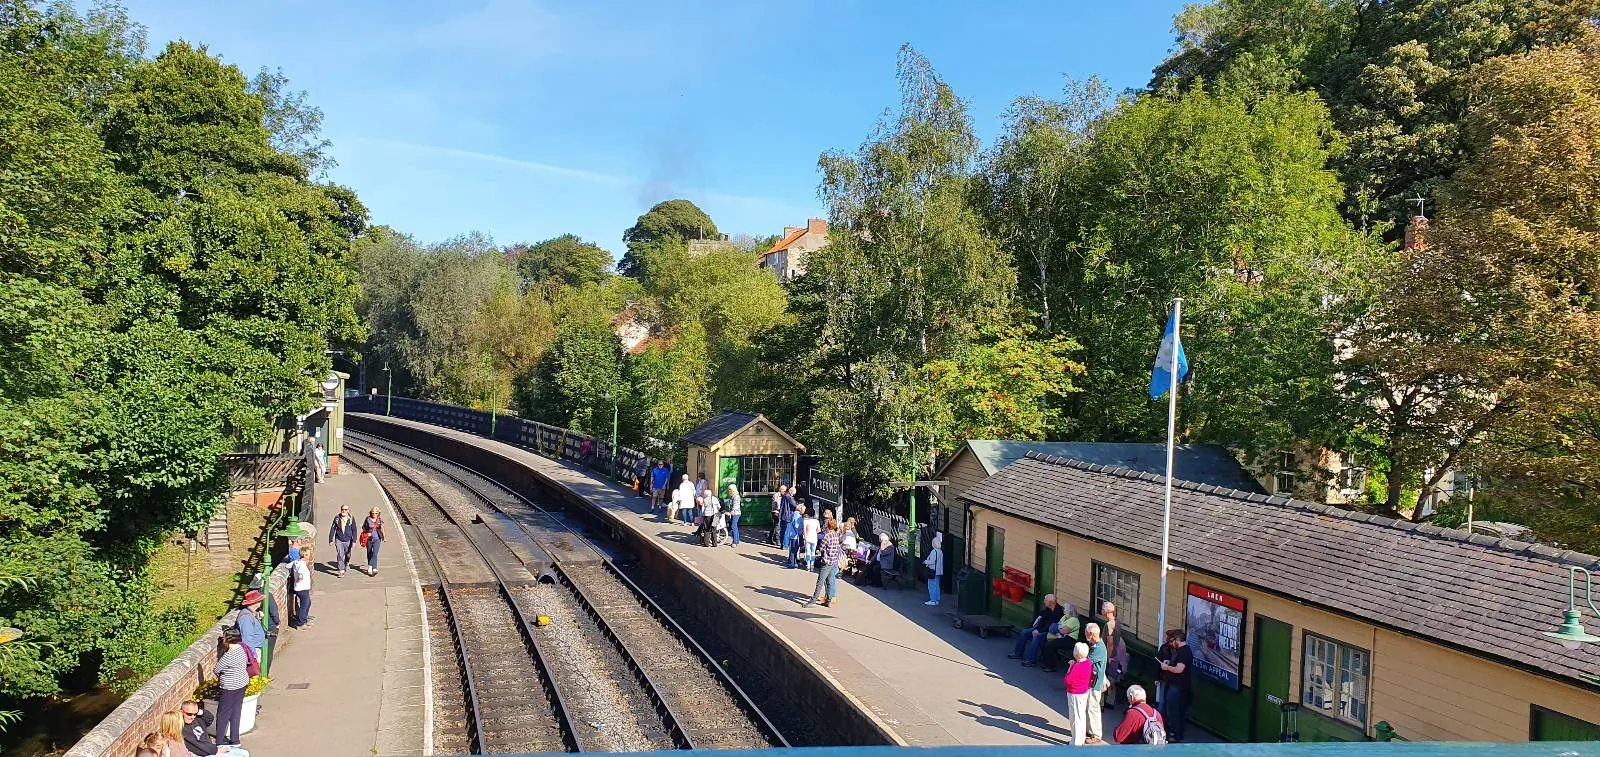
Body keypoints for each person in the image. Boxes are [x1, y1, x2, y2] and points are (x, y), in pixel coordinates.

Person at [213, 627, 250, 748]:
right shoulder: (242, 649)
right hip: (242, 683)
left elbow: (216, 669)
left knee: (223, 714)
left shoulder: (228, 656)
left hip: (229, 687)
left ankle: (219, 741)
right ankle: (235, 740)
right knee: (236, 711)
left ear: (227, 639)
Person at [1157, 628, 1193, 742]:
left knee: (1174, 710)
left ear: (1178, 640)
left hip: (1178, 686)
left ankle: (1175, 734)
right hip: (1175, 685)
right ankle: (1176, 732)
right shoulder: (1181, 651)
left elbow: (1179, 669)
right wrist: (1168, 662)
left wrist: (1166, 667)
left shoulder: (1184, 652)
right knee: (1174, 710)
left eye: (1173, 642)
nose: (1172, 644)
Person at [1009, 594, 1066, 666]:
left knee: (1037, 636)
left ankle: (1031, 660)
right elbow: (1042, 621)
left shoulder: (1058, 612)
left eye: (1045, 600)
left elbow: (1050, 626)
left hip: (1052, 632)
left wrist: (1038, 631)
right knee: (1025, 632)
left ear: (1051, 602)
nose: (1044, 602)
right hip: (1043, 629)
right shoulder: (1048, 609)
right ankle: (1018, 654)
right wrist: (1037, 629)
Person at [803, 513, 845, 608]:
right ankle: (829, 600)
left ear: (828, 526)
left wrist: (818, 551)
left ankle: (813, 600)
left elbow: (821, 548)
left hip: (826, 561)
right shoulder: (836, 535)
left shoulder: (827, 536)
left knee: (820, 581)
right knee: (829, 581)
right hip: (833, 561)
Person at [183, 700, 248, 756]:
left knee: (244, 753)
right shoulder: (182, 728)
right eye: (189, 714)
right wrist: (216, 750)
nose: (192, 717)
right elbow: (197, 746)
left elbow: (210, 718)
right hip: (204, 754)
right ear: (182, 712)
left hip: (210, 749)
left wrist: (199, 712)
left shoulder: (197, 720)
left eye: (195, 714)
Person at [1063, 642, 1094, 747]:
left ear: (1076, 653)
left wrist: (1070, 667)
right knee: (1081, 717)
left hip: (1074, 693)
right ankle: (1080, 739)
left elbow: (1067, 680)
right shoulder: (1088, 663)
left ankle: (1075, 743)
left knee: (1074, 718)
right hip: (1083, 692)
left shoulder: (1077, 666)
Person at [1084, 622, 1107, 742]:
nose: (1085, 634)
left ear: (1091, 634)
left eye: (1086, 632)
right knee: (1089, 706)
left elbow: (1087, 662)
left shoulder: (1099, 648)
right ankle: (1089, 730)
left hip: (1095, 683)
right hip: (1091, 682)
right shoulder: (1094, 645)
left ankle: (1096, 735)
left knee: (1093, 708)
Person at [328, 504, 356, 577]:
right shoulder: (337, 518)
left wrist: (354, 541)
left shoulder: (351, 518)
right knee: (340, 554)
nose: (344, 511)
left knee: (348, 554)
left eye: (345, 509)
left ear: (348, 510)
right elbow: (333, 528)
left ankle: (346, 562)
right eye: (342, 509)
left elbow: (354, 530)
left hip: (348, 539)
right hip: (339, 539)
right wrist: (331, 539)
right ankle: (341, 570)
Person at [236, 590, 266, 656]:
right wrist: (253, 657)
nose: (260, 603)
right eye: (259, 601)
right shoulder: (246, 618)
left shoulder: (250, 614)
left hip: (255, 648)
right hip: (253, 650)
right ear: (256, 603)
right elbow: (247, 639)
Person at [289, 546, 313, 628]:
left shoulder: (296, 562)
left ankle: (304, 620)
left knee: (308, 603)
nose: (310, 556)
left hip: (300, 588)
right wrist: (300, 578)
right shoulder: (302, 564)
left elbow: (288, 566)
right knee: (305, 605)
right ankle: (301, 623)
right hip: (302, 588)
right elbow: (300, 572)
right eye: (308, 554)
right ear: (305, 555)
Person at [362, 506, 385, 576]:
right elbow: (363, 527)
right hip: (369, 539)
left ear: (378, 513)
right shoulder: (367, 519)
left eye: (375, 513)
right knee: (369, 552)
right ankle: (372, 566)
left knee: (375, 553)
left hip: (377, 538)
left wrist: (384, 537)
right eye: (372, 513)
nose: (374, 514)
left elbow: (382, 528)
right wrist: (367, 532)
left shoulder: (379, 520)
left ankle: (372, 567)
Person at [923, 532, 944, 605]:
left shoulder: (934, 551)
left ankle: (933, 600)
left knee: (931, 586)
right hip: (938, 571)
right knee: (937, 585)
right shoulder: (940, 551)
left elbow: (932, 561)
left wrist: (925, 562)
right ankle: (937, 599)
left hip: (932, 571)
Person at [785, 503, 806, 568]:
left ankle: (791, 562)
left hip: (793, 534)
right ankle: (792, 563)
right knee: (794, 549)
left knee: (793, 549)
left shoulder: (795, 513)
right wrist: (801, 531)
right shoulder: (797, 515)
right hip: (795, 535)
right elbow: (797, 525)